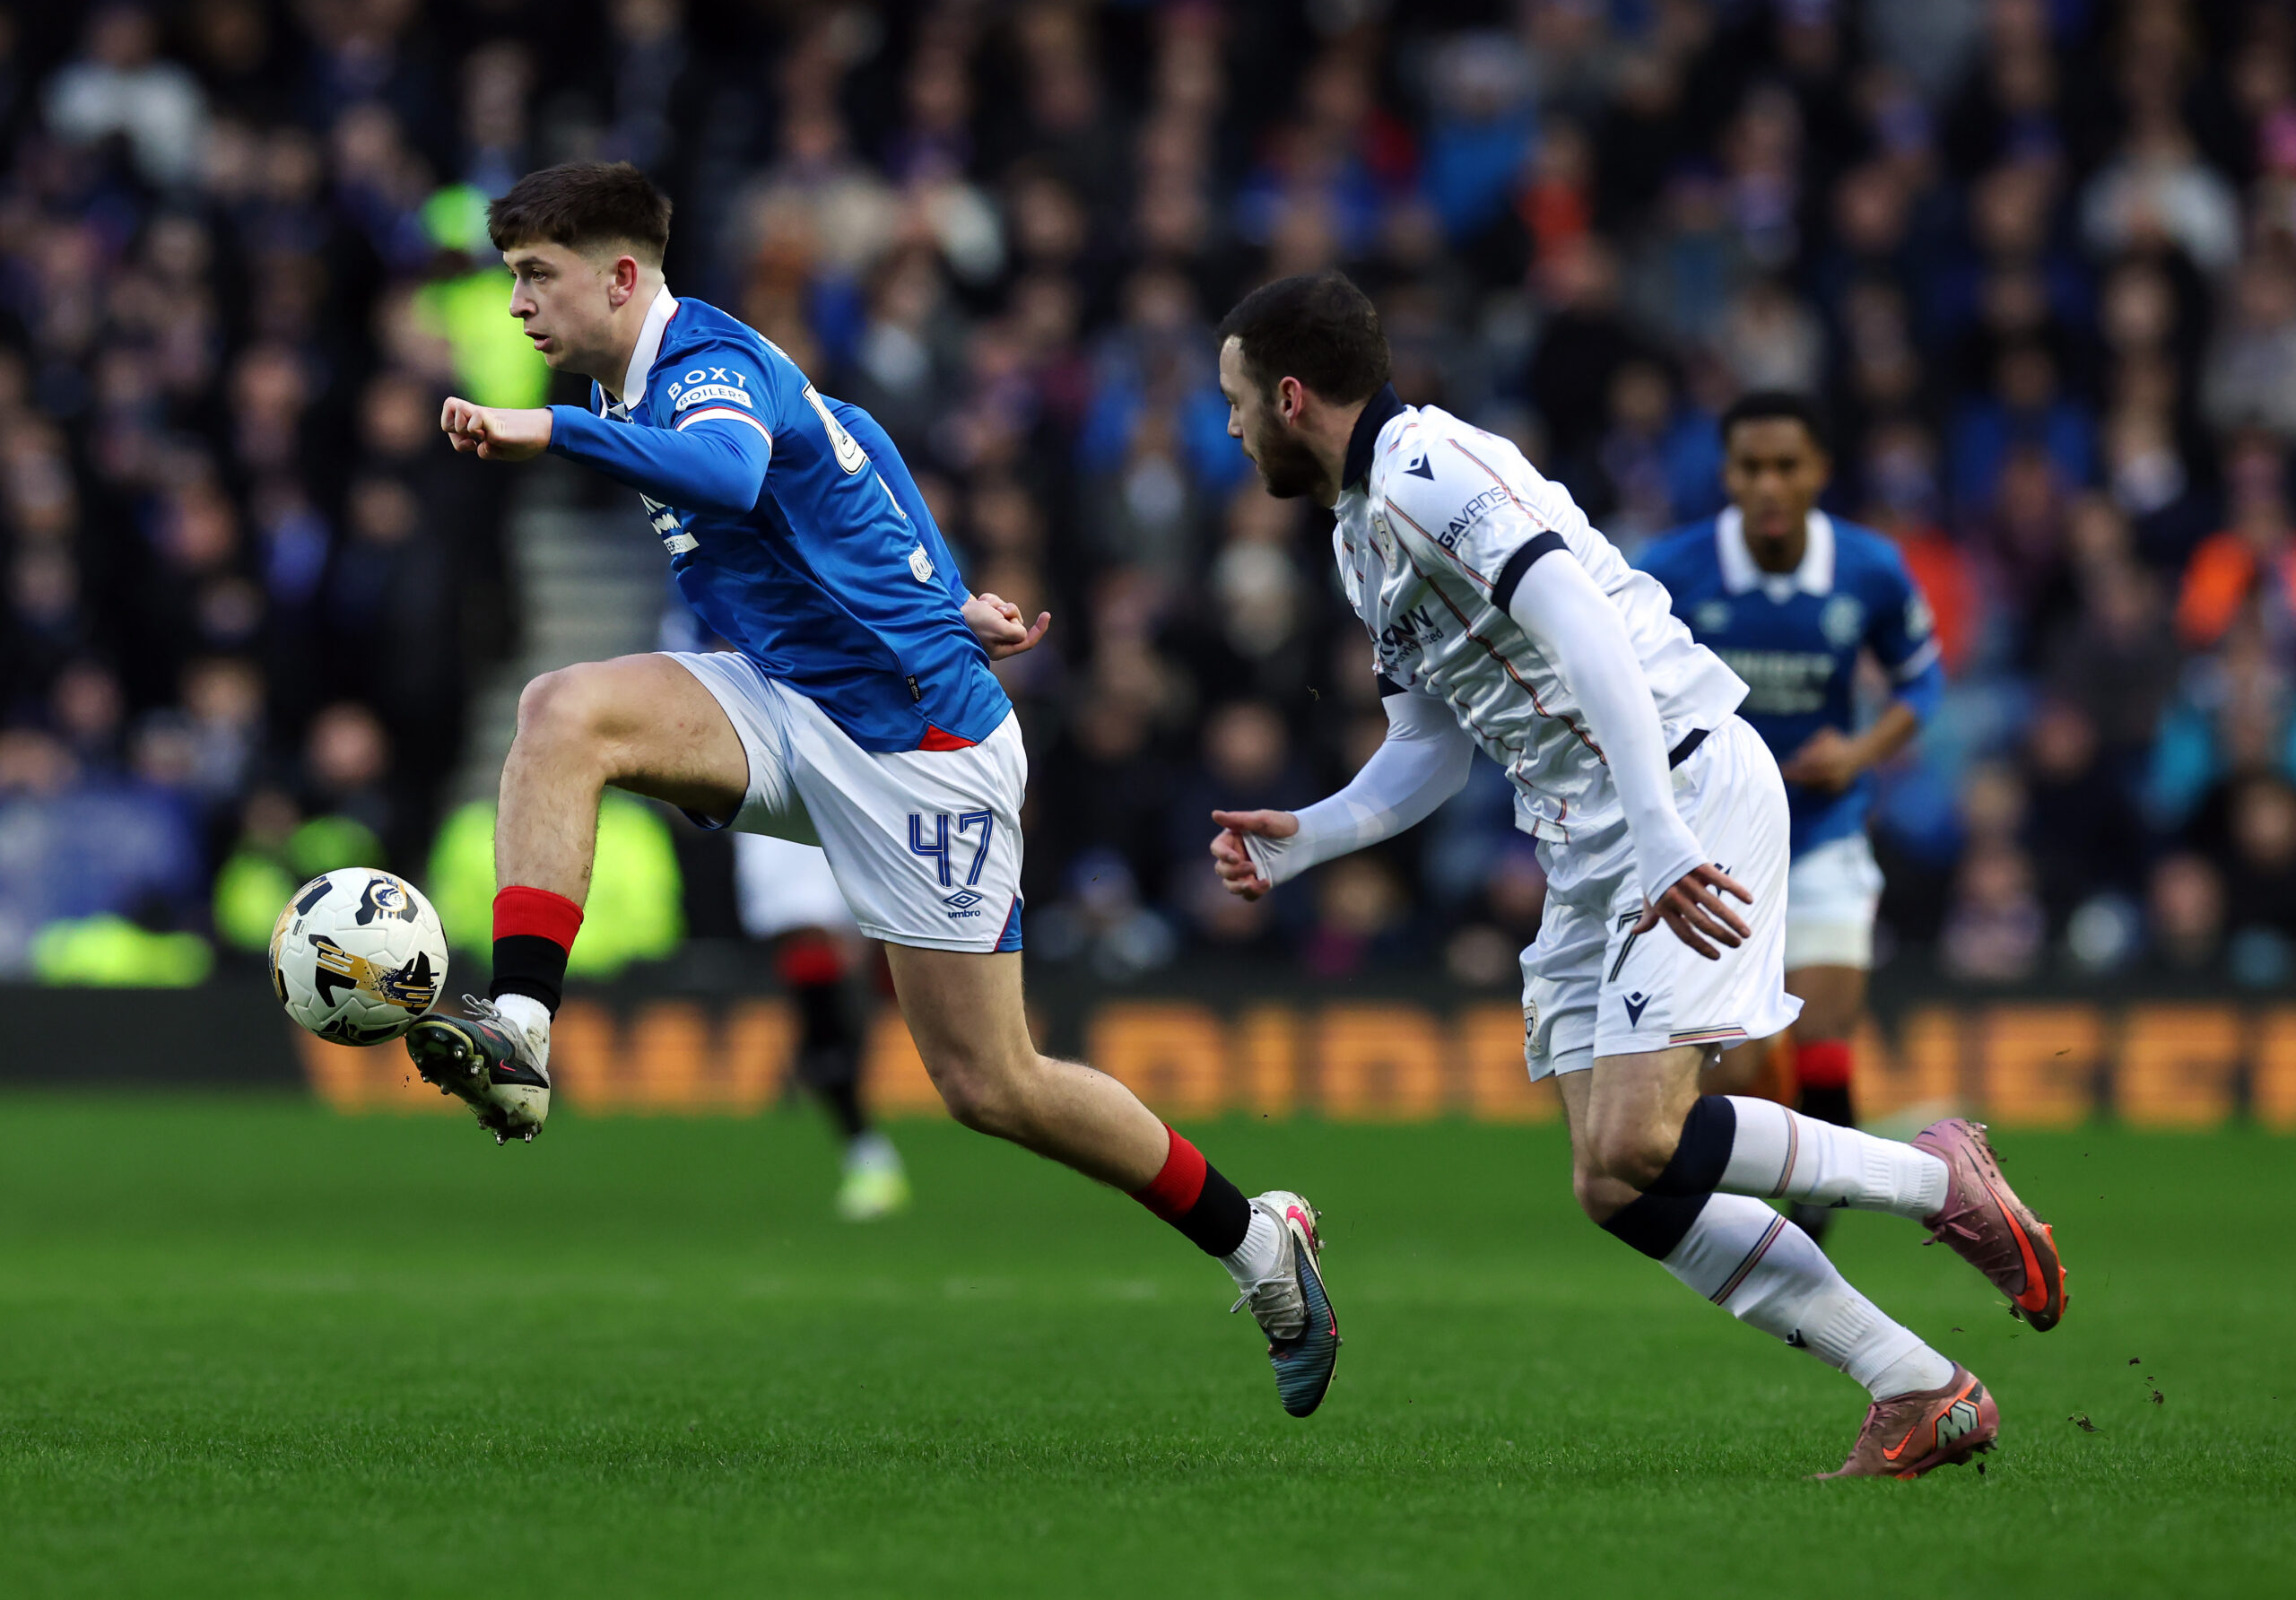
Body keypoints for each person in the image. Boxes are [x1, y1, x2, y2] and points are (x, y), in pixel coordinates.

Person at [413, 162, 1340, 1418]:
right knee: (561, 710)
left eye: (538, 276)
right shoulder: (654, 376)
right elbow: (856, 445)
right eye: (513, 278)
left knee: (992, 1085)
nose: (518, 303)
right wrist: (944, 594)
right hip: (788, 696)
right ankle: (523, 1027)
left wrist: (550, 431)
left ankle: (1259, 1241)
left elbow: (731, 474)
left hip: (920, 750)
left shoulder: (703, 372)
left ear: (622, 276)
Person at [1205, 272, 2066, 1476]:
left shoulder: (1429, 470)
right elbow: (1430, 744)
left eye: (1237, 400)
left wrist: (1661, 830)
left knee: (1642, 1134)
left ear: (1291, 395)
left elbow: (1584, 621)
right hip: (1586, 835)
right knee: (1616, 1181)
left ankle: (1937, 1178)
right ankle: (1918, 1384)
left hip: (1681, 786)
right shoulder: (1360, 536)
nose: (1231, 425)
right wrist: (1311, 836)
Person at [1638, 391, 1944, 1247]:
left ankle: (1821, 1217)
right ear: (1727, 475)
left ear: (1819, 471)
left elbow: (1922, 680)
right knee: (1737, 1065)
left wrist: (1860, 752)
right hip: (1713, 842)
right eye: (1752, 468)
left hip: (1823, 828)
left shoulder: (1870, 568)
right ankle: (1787, 1177)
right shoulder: (1670, 569)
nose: (1769, 485)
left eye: (1787, 466)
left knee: (1824, 1030)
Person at [731, 830, 910, 1222]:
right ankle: (868, 1155)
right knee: (822, 1046)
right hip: (798, 893)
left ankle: (872, 1159)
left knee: (827, 1046)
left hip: (814, 895)